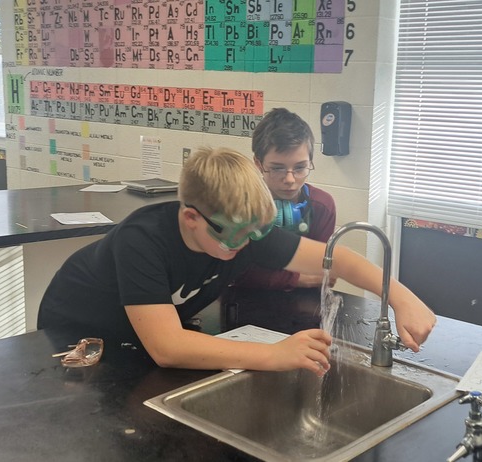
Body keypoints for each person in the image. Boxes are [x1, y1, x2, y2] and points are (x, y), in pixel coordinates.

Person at [38, 147, 436, 376]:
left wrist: (402, 298)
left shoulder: (242, 231)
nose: (246, 245)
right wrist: (275, 354)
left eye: (254, 234)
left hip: (136, 337)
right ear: (192, 217)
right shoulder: (141, 241)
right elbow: (168, 347)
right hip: (75, 336)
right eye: (234, 236)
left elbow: (338, 258)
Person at [230, 107, 337, 290]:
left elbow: (318, 271)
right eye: (277, 168)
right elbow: (235, 270)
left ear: (310, 161)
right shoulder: (238, 205)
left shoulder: (322, 206)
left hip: (303, 306)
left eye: (300, 168)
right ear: (258, 163)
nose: (290, 179)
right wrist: (297, 279)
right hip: (240, 302)